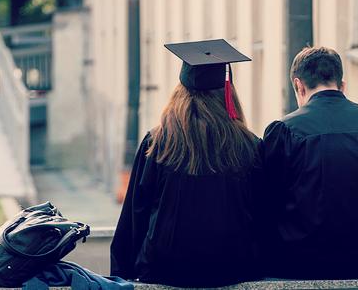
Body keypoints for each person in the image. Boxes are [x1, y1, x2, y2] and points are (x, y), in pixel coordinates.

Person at [110, 39, 262, 288]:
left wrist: (122, 272)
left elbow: (136, 213)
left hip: (165, 268)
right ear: (227, 93)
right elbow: (261, 212)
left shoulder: (158, 142)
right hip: (233, 267)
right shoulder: (249, 145)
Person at [260, 46, 358, 279]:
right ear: (342, 85)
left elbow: (267, 204)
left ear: (298, 86)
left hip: (301, 262)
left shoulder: (284, 131)